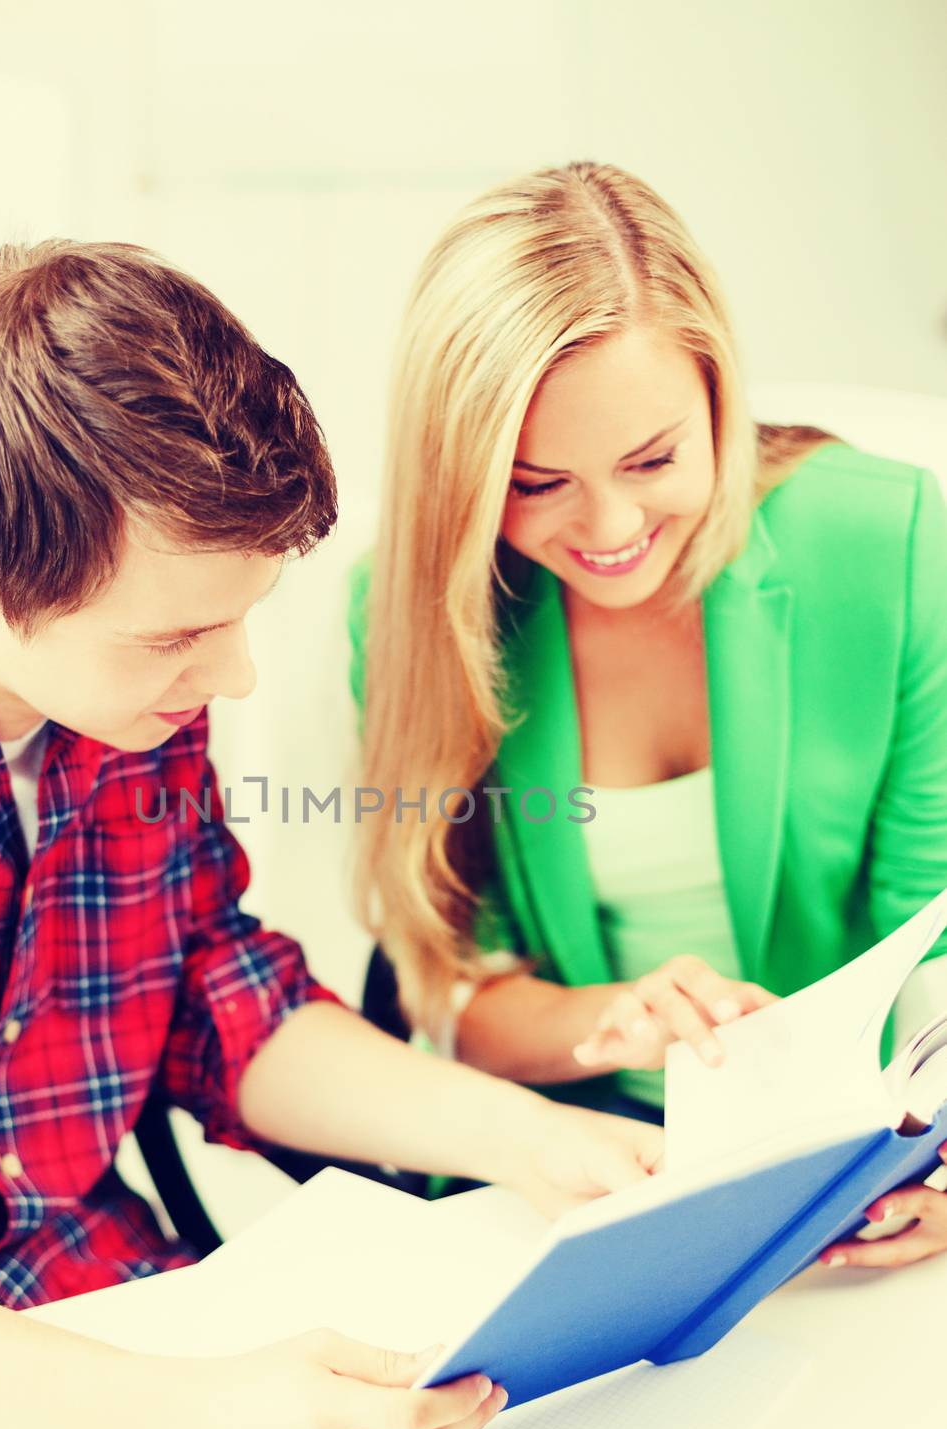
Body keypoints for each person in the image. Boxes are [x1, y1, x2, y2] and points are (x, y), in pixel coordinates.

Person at [0, 241, 662, 1429]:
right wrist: (193, 1422)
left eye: (243, 616)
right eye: (184, 636)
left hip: (122, 1302)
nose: (234, 676)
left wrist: (525, 1138)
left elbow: (206, 987)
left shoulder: (119, 674)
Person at [349, 161, 947, 1266]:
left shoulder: (889, 541)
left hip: (864, 1136)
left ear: (720, 396)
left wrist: (938, 1156)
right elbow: (455, 993)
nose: (611, 525)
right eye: (537, 483)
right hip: (578, 1152)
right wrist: (618, 1015)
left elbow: (934, 933)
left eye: (653, 457)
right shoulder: (418, 606)